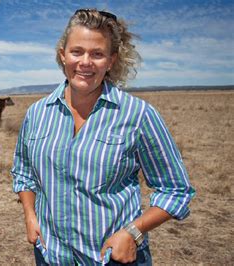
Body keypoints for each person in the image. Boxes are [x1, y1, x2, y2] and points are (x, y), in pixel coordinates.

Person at [11, 8, 195, 265]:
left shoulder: (137, 115)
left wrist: (132, 232)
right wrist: (30, 215)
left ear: (111, 61)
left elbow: (176, 189)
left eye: (97, 54)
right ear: (63, 55)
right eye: (77, 51)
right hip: (50, 254)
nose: (85, 62)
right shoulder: (37, 113)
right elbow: (23, 173)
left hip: (111, 258)